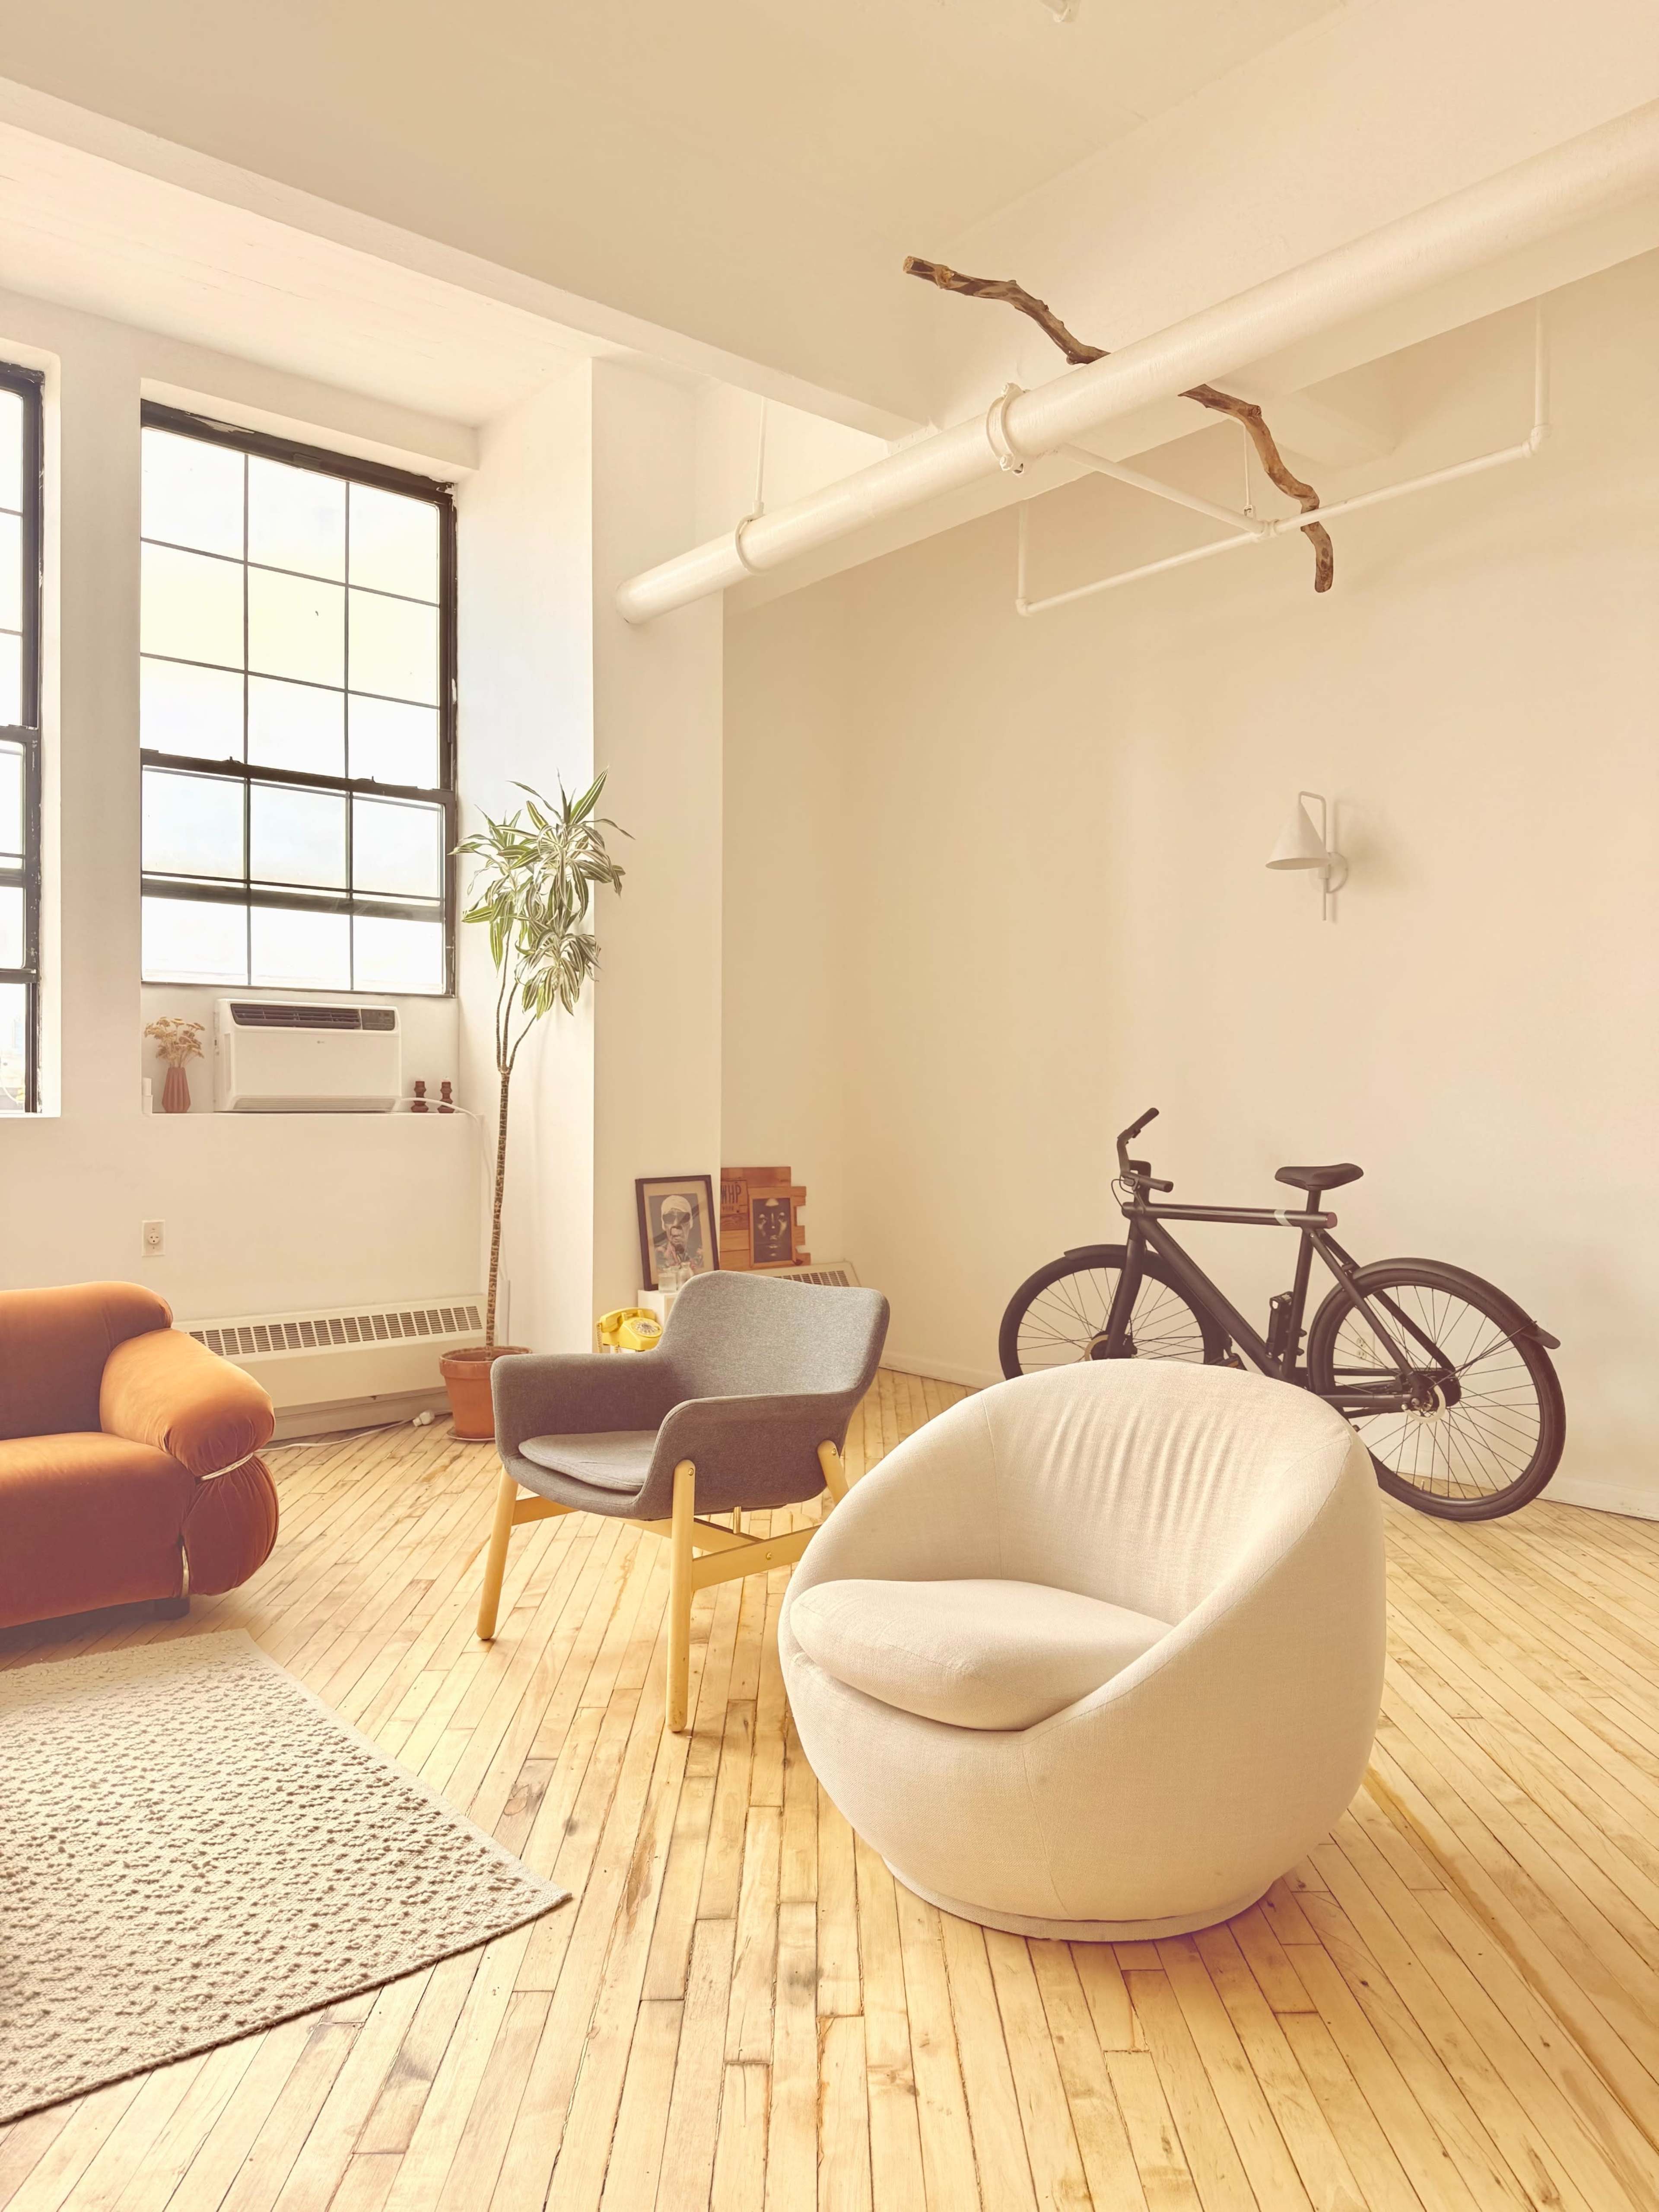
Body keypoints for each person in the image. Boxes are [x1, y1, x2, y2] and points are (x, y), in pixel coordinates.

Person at [653, 1192, 707, 1289]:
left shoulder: (702, 1255)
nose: (676, 1224)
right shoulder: (659, 1255)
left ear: (690, 1223)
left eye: (683, 1218)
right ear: (664, 1225)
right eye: (669, 1218)